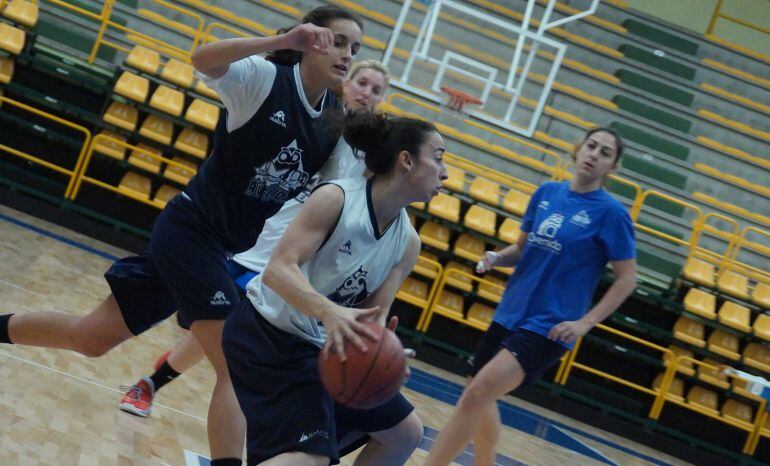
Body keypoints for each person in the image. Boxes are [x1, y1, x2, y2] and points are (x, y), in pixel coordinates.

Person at [0, 6, 364, 465]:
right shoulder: (265, 79)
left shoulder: (332, 122)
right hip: (190, 232)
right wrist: (278, 41)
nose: (348, 54)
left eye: (355, 47)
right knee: (235, 366)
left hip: (219, 246)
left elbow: (343, 194)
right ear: (309, 39)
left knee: (92, 339)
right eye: (338, 41)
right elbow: (203, 58)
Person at [118, 59, 391, 418]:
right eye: (362, 82)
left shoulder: (368, 156)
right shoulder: (314, 121)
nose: (366, 92)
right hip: (252, 245)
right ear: (345, 82)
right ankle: (151, 383)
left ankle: (163, 388)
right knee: (211, 334)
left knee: (228, 340)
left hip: (292, 263)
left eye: (376, 89)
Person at [222, 112, 448, 465]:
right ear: (406, 160)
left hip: (322, 349)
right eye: (438, 157)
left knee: (404, 434)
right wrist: (330, 311)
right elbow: (278, 270)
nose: (445, 172)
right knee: (310, 458)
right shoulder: (337, 199)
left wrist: (385, 351)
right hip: (268, 335)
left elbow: (375, 315)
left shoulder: (408, 244)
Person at [424, 127, 638, 466]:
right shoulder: (547, 193)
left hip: (550, 325)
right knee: (476, 392)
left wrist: (585, 323)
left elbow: (627, 280)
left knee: (477, 394)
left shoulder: (611, 214)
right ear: (578, 149)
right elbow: (522, 249)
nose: (594, 154)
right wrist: (497, 257)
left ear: (612, 167)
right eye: (591, 145)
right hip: (511, 312)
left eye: (605, 153)